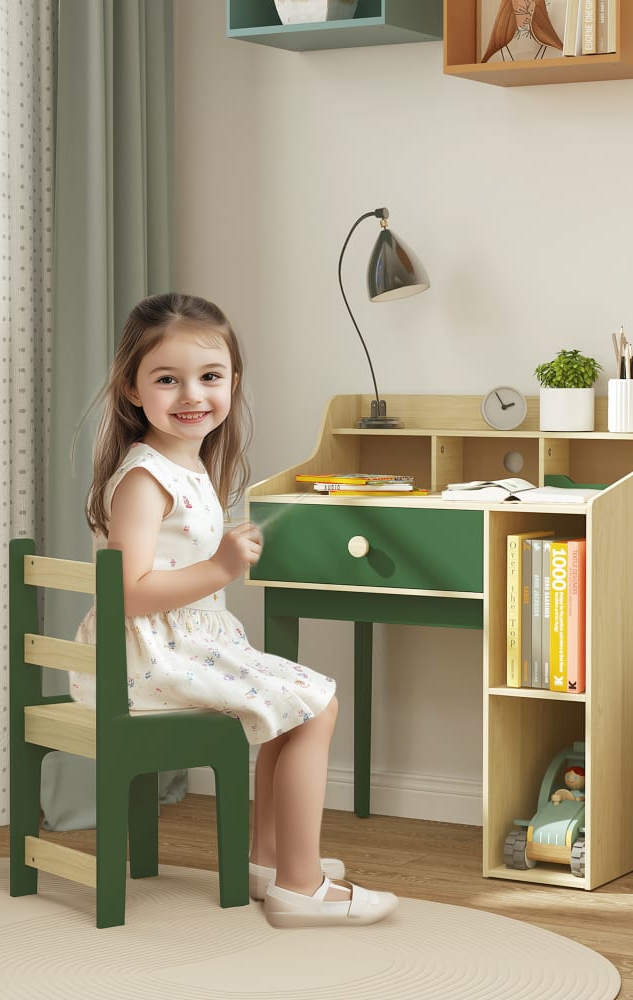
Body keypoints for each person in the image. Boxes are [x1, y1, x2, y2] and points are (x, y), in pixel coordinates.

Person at [70, 292, 398, 928]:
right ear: (133, 389)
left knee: (299, 706)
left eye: (210, 377)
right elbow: (127, 591)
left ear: (233, 382)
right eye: (167, 379)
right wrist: (220, 567)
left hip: (184, 643)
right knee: (315, 705)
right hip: (144, 656)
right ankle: (300, 889)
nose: (192, 394)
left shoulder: (185, 464)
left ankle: (271, 863)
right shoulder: (145, 478)